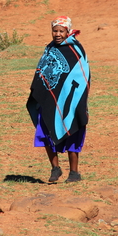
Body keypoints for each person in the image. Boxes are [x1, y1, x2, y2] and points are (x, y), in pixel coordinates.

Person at [27, 16, 90, 183]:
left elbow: (82, 76)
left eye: (61, 31)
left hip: (70, 100)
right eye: (55, 31)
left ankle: (74, 173)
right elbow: (43, 72)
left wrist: (78, 100)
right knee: (45, 130)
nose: (57, 34)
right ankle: (55, 168)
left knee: (73, 131)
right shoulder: (50, 49)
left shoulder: (76, 49)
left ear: (68, 32)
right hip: (49, 100)